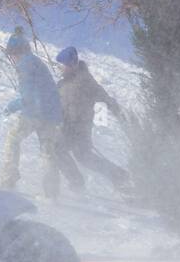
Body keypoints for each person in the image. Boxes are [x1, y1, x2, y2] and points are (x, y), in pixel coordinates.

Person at [0, 28, 74, 198]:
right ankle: (52, 192)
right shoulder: (36, 62)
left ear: (17, 52)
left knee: (12, 138)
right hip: (52, 114)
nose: (12, 58)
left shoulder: (24, 64)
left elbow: (28, 96)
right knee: (48, 151)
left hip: (35, 113)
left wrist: (12, 106)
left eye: (12, 54)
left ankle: (9, 178)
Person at [54, 46, 130, 192]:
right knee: (84, 157)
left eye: (62, 65)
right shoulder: (63, 83)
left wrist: (117, 110)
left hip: (78, 128)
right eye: (59, 65)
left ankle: (77, 183)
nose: (60, 69)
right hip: (69, 126)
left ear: (72, 65)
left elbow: (102, 95)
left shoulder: (85, 81)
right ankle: (118, 175)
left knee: (59, 150)